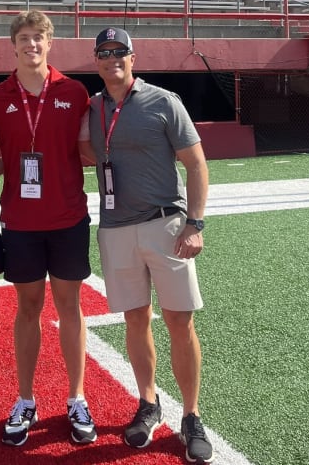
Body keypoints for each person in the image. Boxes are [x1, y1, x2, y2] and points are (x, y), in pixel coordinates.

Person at [88, 26, 214, 464]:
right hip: (116, 228)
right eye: (104, 52)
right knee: (135, 319)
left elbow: (196, 163)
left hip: (166, 225)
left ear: (133, 57)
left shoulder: (163, 101)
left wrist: (194, 224)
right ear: (97, 62)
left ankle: (192, 415)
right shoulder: (92, 108)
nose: (112, 58)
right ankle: (148, 403)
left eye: (120, 51)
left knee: (180, 320)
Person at [0, 10, 97, 447]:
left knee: (70, 307)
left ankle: (76, 397)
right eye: (24, 38)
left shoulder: (76, 91)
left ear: (50, 44)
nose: (31, 45)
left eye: (39, 38)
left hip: (68, 218)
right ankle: (25, 399)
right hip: (21, 222)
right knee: (27, 310)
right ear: (13, 45)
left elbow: (89, 152)